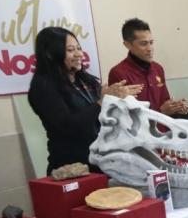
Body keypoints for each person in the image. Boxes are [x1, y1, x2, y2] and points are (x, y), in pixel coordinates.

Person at [29, 27, 142, 175]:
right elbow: (67, 126)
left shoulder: (87, 81)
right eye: (70, 50)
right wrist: (102, 102)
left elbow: (102, 119)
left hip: (102, 162)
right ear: (50, 54)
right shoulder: (43, 87)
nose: (79, 54)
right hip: (71, 168)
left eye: (79, 48)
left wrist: (119, 101)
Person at [109, 18, 188, 120]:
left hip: (165, 130)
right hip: (141, 135)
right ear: (127, 45)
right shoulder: (118, 73)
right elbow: (123, 118)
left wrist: (176, 106)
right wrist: (160, 111)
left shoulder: (158, 68)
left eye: (151, 42)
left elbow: (165, 102)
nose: (150, 48)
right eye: (143, 44)